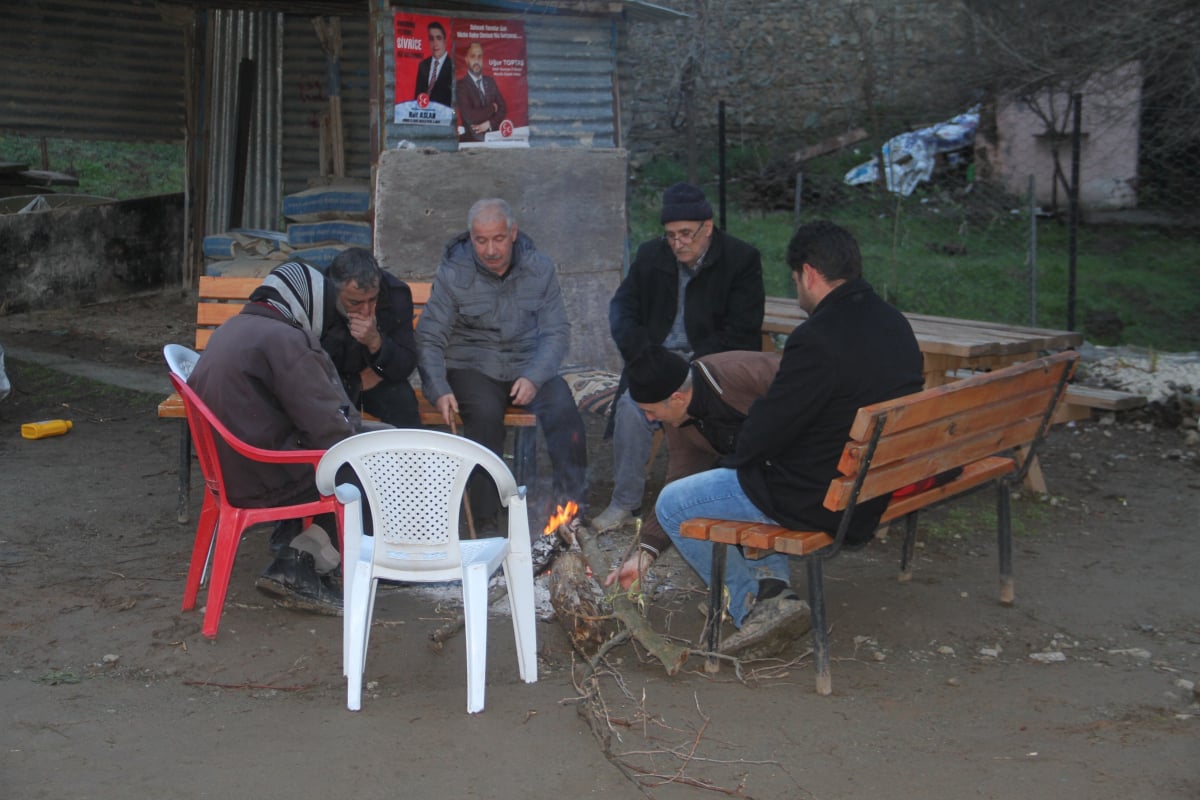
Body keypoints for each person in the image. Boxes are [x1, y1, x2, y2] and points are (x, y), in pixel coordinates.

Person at [651, 221, 925, 658]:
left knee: (675, 503)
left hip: (821, 498)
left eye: (795, 279)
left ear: (810, 274)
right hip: (870, 486)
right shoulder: (894, 323)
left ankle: (757, 605)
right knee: (752, 474)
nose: (797, 289)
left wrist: (734, 458)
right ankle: (774, 588)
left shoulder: (816, 339)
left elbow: (768, 429)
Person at [188, 261, 375, 615]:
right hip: (264, 475)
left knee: (358, 455)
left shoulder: (235, 327)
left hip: (227, 472)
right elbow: (331, 431)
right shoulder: (285, 339)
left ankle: (308, 556)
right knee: (369, 464)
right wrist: (364, 440)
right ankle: (298, 562)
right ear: (310, 303)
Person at [593, 182, 765, 533]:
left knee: (711, 418)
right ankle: (625, 502)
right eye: (671, 235)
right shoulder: (651, 255)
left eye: (686, 234)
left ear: (708, 227)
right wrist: (642, 355)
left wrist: (693, 365)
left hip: (709, 367)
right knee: (631, 407)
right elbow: (622, 309)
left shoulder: (740, 260)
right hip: (655, 359)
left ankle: (708, 502)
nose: (678, 243)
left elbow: (743, 331)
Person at [416, 198, 587, 535]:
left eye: (497, 239)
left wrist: (535, 376)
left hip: (528, 363)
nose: (490, 249)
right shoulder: (453, 272)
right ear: (470, 238)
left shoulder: (540, 268)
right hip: (473, 366)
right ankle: (486, 520)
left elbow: (556, 332)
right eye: (481, 240)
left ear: (513, 233)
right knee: (483, 415)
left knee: (563, 409)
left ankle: (571, 510)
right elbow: (429, 337)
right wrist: (439, 388)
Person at [320, 247, 421, 429]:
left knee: (403, 401)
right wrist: (355, 384)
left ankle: (406, 456)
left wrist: (376, 342)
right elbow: (307, 369)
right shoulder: (317, 293)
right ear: (336, 292)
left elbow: (405, 363)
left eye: (372, 300)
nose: (365, 311)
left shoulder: (395, 293)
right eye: (355, 302)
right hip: (329, 384)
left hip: (375, 378)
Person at [456, 41, 507, 142]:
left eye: (479, 57)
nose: (476, 60)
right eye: (473, 56)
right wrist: (493, 108)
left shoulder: (490, 81)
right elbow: (470, 116)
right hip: (472, 141)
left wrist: (489, 123)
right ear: (466, 60)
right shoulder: (461, 85)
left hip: (494, 138)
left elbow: (503, 108)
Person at [413, 21, 453, 107]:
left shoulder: (453, 66)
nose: (435, 44)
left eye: (438, 38)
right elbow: (417, 97)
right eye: (431, 39)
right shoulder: (423, 65)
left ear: (445, 41)